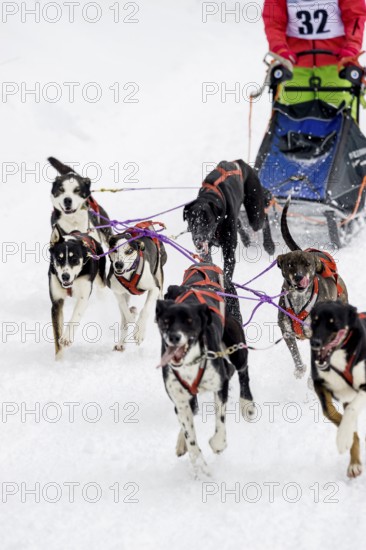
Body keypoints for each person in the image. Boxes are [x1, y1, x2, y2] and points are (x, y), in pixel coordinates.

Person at [262, 0, 366, 113]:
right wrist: (280, 49)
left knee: (342, 116)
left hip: (337, 64)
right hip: (294, 65)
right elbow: (273, 20)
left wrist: (351, 47)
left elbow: (354, 15)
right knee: (290, 118)